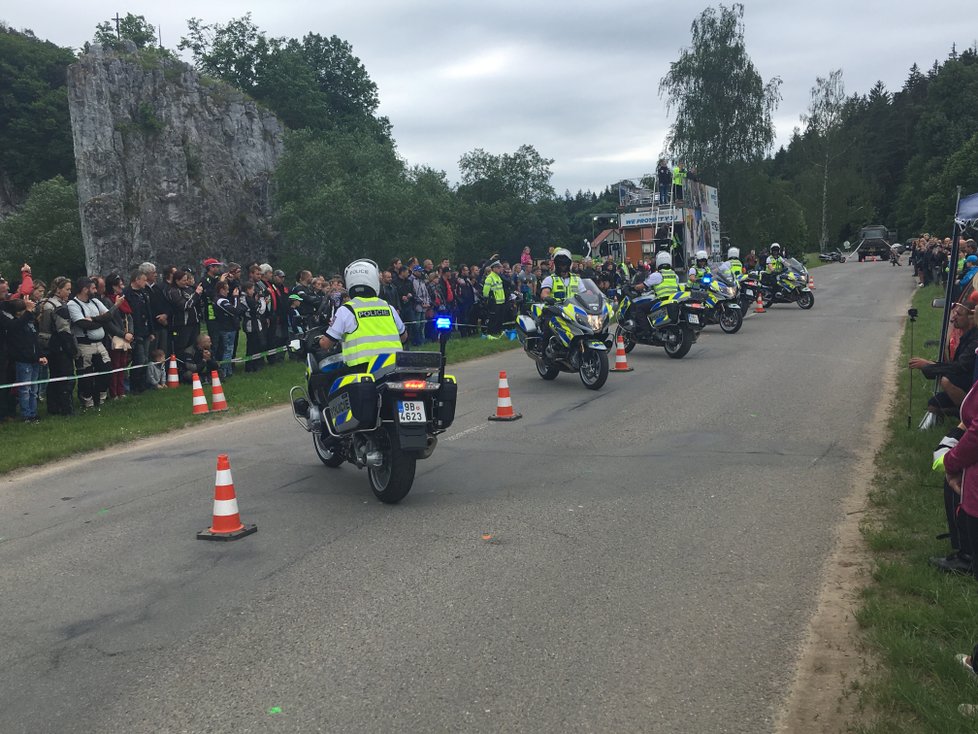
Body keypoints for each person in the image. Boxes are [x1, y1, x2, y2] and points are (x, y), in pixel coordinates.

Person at [316, 259, 406, 377]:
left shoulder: (347, 310)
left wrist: (318, 340)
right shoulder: (388, 307)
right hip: (394, 366)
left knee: (328, 381)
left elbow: (326, 344)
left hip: (361, 372)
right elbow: (404, 337)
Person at [910, 297, 978, 419]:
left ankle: (970, 415)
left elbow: (960, 366)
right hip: (965, 380)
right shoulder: (964, 336)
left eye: (959, 314)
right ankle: (954, 413)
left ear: (971, 317)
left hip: (973, 387)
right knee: (933, 404)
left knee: (946, 380)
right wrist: (931, 365)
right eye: (954, 313)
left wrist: (930, 366)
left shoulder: (975, 339)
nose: (953, 317)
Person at [67, 277, 120, 412]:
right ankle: (87, 400)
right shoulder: (73, 304)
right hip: (85, 345)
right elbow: (83, 324)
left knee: (107, 370)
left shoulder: (96, 301)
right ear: (85, 289)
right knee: (86, 375)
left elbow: (109, 316)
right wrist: (100, 321)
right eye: (93, 288)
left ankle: (100, 397)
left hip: (99, 343)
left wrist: (95, 319)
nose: (95, 291)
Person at [4, 298, 47, 423]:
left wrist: (41, 355)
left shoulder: (31, 323)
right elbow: (19, 340)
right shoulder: (15, 325)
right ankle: (26, 414)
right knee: (25, 389)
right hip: (23, 361)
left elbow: (35, 341)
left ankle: (33, 413)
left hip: (34, 360)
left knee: (34, 389)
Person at [37, 276, 76, 416]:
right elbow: (64, 331)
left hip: (44, 345)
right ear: (58, 290)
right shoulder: (59, 307)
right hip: (59, 346)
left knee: (53, 377)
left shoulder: (41, 303)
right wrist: (72, 350)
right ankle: (67, 409)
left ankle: (52, 408)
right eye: (67, 289)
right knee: (66, 378)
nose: (69, 293)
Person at [482, 260, 506, 338]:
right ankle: (492, 332)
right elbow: (485, 291)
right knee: (494, 318)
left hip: (501, 301)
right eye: (498, 268)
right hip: (494, 301)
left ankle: (498, 331)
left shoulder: (498, 277)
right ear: (494, 268)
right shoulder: (490, 277)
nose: (500, 269)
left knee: (500, 318)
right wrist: (488, 299)